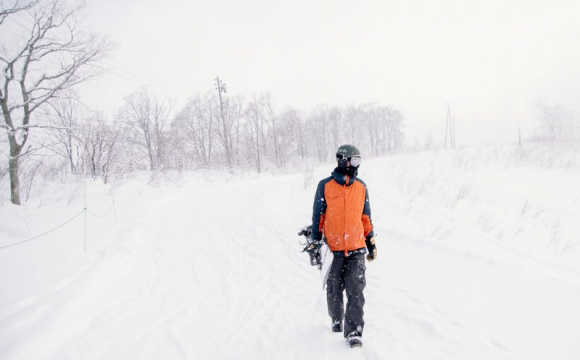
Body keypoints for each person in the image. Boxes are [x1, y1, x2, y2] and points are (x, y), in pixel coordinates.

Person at [310, 144, 377, 348]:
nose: (357, 165)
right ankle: (336, 318)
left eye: (359, 161)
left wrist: (371, 242)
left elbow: (365, 218)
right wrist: (315, 243)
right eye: (354, 161)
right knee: (334, 289)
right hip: (333, 249)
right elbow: (318, 218)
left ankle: (354, 332)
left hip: (356, 248)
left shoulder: (361, 187)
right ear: (343, 161)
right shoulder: (325, 186)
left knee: (356, 291)